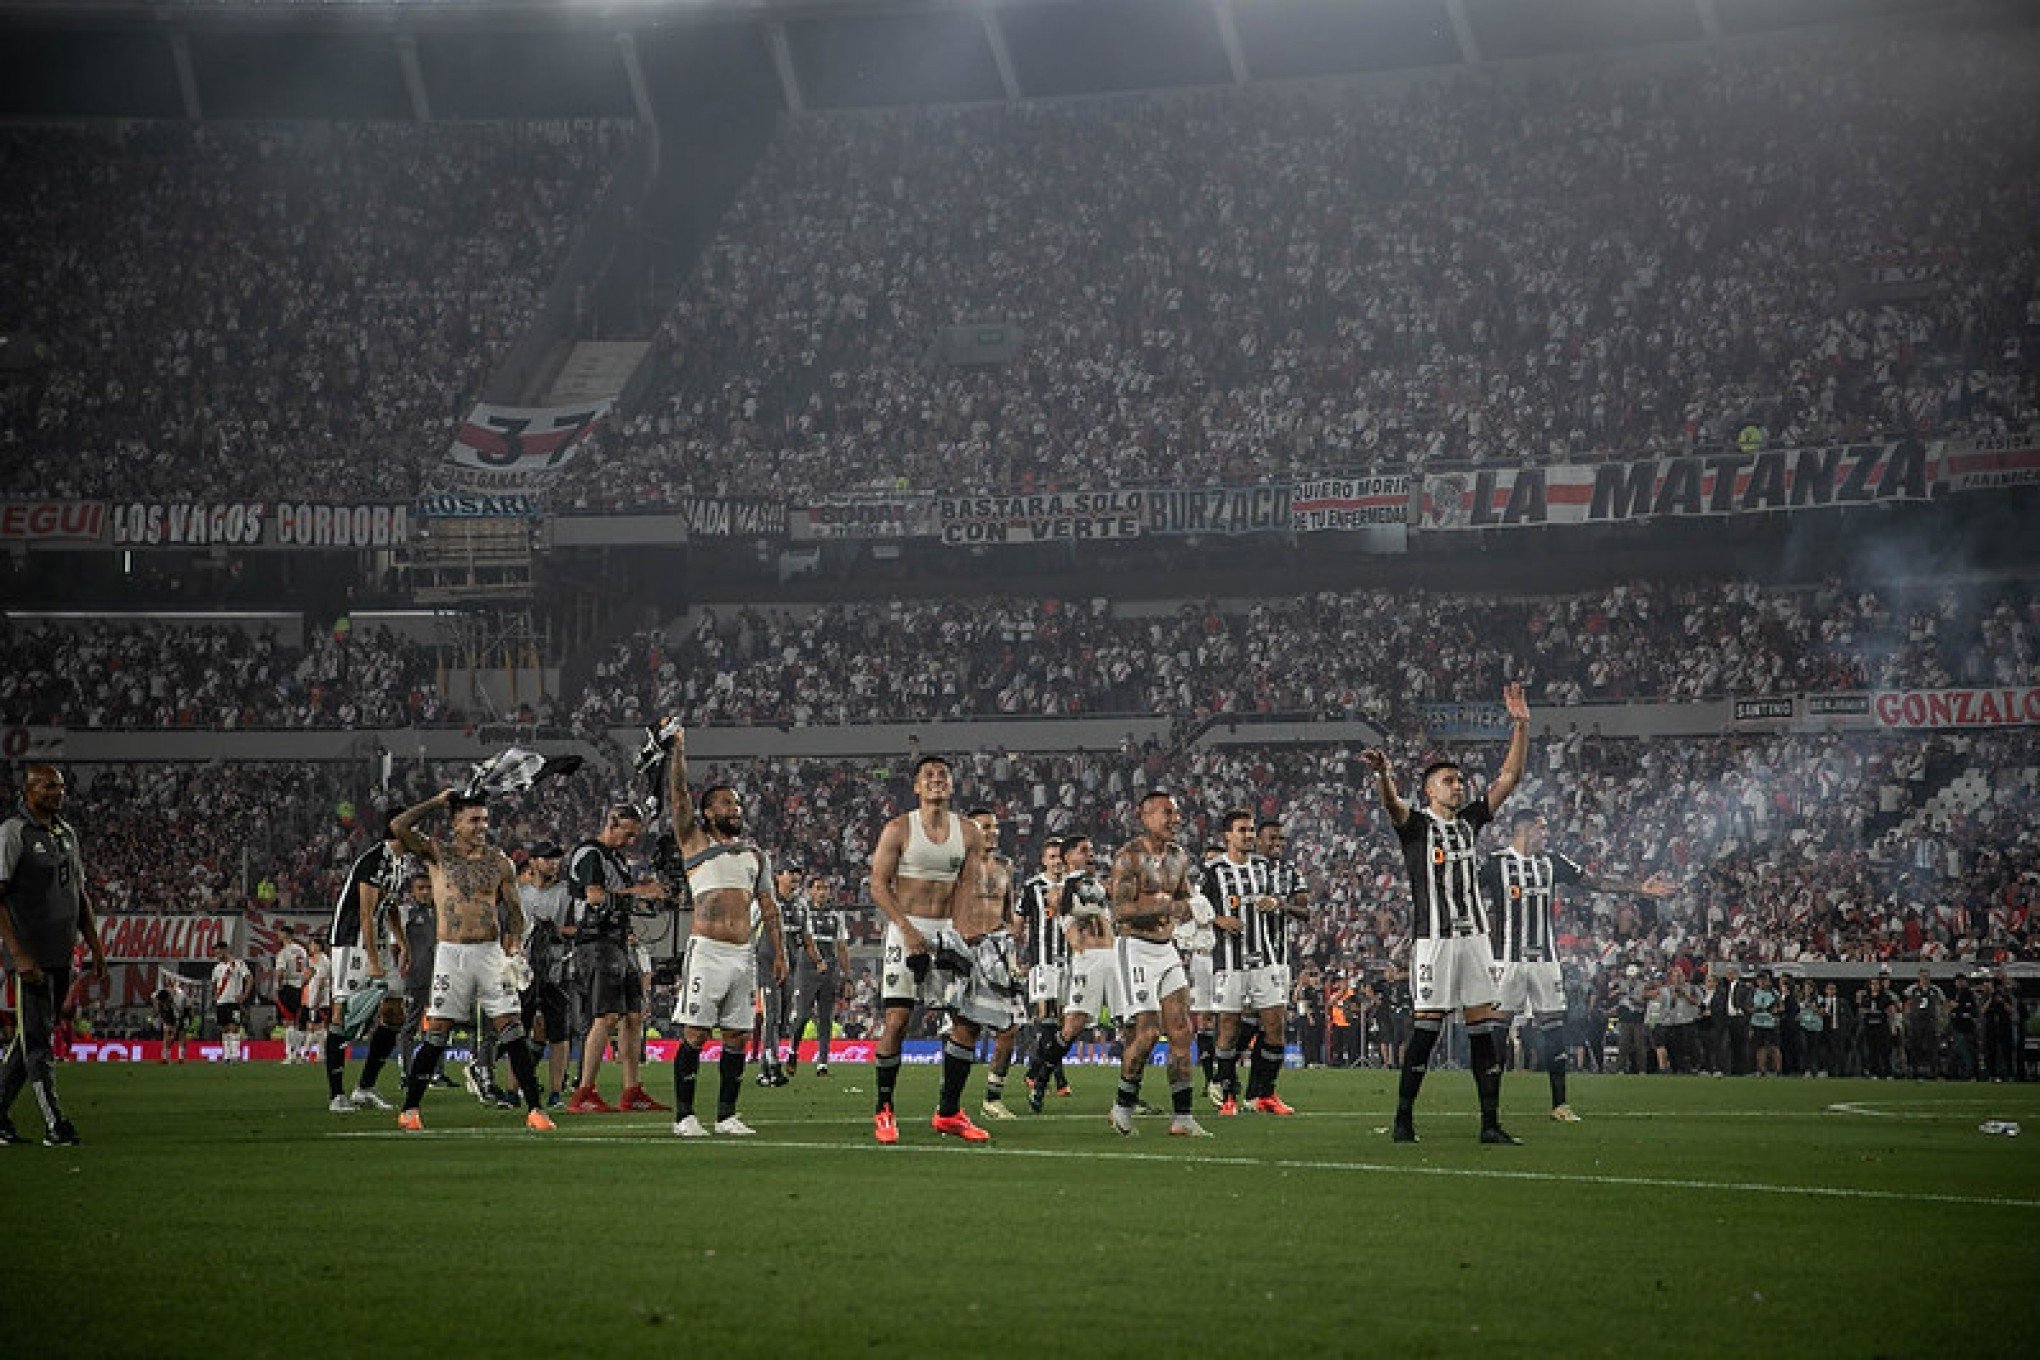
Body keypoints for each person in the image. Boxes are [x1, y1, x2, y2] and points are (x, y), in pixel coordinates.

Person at [1360, 681, 1531, 1145]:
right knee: (1427, 1031)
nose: (1458, 787)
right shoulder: (1416, 826)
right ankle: (1403, 1120)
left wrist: (1520, 725)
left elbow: (1510, 779)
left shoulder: (1471, 821)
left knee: (1483, 1034)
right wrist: (1383, 774)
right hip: (1434, 941)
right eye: (1448, 782)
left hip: (1474, 940)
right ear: (1429, 790)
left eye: (1459, 781)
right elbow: (1391, 805)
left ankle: (1490, 1124)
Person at [1481, 809, 1673, 1120]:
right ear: (1525, 830)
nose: (1546, 834)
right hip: (1507, 961)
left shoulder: (1552, 862)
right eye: (1542, 829)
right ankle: (1489, 1110)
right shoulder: (1496, 863)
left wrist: (1639, 888)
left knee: (1554, 1029)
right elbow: (1468, 893)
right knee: (1498, 1033)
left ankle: (1560, 1104)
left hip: (1545, 960)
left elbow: (1594, 882)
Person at [388, 789, 554, 1133]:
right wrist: (435, 801)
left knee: (512, 1030)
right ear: (456, 824)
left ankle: (535, 1110)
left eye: (485, 819)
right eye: (474, 820)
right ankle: (410, 1109)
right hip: (451, 954)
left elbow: (514, 911)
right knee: (437, 1032)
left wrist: (513, 941)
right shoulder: (438, 854)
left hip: (491, 953)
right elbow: (399, 825)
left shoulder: (499, 862)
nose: (482, 826)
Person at [664, 724, 787, 1137]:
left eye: (736, 803)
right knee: (696, 1034)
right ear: (707, 813)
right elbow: (678, 796)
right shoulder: (694, 842)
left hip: (743, 955)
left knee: (737, 1036)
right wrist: (678, 750)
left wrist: (781, 953)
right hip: (708, 951)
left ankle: (727, 1115)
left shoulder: (755, 855)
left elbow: (769, 908)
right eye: (723, 804)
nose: (733, 809)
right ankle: (684, 1116)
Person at [867, 754, 990, 1144]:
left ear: (951, 785)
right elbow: (877, 884)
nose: (937, 780)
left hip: (947, 932)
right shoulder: (898, 829)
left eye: (943, 775)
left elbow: (967, 887)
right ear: (916, 787)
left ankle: (949, 1112)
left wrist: (963, 932)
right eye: (928, 776)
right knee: (898, 1021)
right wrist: (904, 928)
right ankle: (884, 1109)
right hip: (907, 929)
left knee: (967, 1022)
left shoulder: (969, 832)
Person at [0, 765, 106, 1146]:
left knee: (32, 1039)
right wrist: (17, 953)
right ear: (28, 790)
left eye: (60, 786)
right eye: (48, 786)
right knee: (39, 1041)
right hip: (29, 956)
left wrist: (94, 946)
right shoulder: (14, 833)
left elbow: (79, 895)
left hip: (62, 952)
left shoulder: (66, 834)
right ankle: (55, 1124)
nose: (57, 792)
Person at [1103, 791, 1210, 1138]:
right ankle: (1121, 1108)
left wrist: (1198, 911)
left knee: (1182, 1030)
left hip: (1166, 949)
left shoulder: (1179, 857)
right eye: (1167, 813)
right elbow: (1120, 912)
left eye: (1177, 814)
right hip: (1134, 947)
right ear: (1145, 816)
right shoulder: (1128, 858)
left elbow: (1184, 898)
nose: (1175, 820)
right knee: (1148, 1033)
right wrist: (1168, 909)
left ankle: (1183, 1117)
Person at [563, 805, 671, 1114]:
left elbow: (618, 895)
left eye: (635, 834)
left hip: (618, 942)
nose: (632, 839)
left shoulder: (616, 859)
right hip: (595, 942)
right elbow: (594, 896)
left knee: (633, 1017)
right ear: (611, 823)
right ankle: (583, 1092)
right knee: (607, 1016)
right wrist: (640, 891)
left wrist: (646, 896)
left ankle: (631, 1091)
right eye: (628, 832)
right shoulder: (589, 853)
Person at [1024, 835, 1116, 1112]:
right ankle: (1041, 1079)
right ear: (1067, 857)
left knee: (1134, 1026)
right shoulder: (1061, 889)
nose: (1090, 854)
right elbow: (1066, 917)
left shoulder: (1097, 885)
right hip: (1087, 960)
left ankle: (1128, 1095)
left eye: (1091, 849)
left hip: (1114, 955)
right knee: (1072, 1027)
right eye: (1083, 850)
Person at [324, 828, 412, 1112]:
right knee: (342, 1013)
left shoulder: (400, 862)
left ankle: (364, 1088)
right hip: (352, 940)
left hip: (378, 939)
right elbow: (365, 911)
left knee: (395, 1010)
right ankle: (337, 1095)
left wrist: (402, 941)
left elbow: (390, 905)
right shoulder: (374, 859)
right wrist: (373, 960)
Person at [1240, 816, 1310, 1113]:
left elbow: (1305, 911)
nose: (1277, 844)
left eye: (1281, 840)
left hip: (1277, 960)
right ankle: (1224, 1083)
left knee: (1273, 1027)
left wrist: (1281, 904)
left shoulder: (1290, 873)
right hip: (1242, 959)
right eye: (1272, 839)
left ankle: (1261, 1092)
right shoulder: (1242, 870)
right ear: (1257, 840)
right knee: (1242, 1025)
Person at [961, 808, 1024, 1122]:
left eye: (995, 828)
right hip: (967, 948)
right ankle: (950, 1101)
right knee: (965, 1028)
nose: (993, 833)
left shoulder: (1005, 867)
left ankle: (992, 1098)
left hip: (998, 947)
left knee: (1009, 1026)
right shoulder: (958, 865)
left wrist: (1012, 934)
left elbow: (1010, 907)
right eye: (986, 827)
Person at [1201, 810, 1266, 1116]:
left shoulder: (1264, 868)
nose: (1248, 835)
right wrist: (1218, 918)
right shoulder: (1213, 872)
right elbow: (1196, 910)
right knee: (1227, 1023)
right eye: (1242, 830)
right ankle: (1226, 1091)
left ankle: (1222, 1074)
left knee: (1258, 1019)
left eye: (1251, 830)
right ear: (1228, 836)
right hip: (1227, 960)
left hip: (1263, 958)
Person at [519, 842, 575, 1109]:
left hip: (558, 968)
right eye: (547, 858)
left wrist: (555, 929)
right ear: (533, 862)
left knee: (558, 1034)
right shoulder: (520, 894)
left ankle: (555, 1092)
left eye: (556, 858)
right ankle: (513, 1089)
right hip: (524, 969)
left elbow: (580, 929)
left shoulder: (568, 894)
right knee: (518, 1029)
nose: (553, 863)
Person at [1017, 838, 1072, 1098]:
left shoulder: (1074, 886)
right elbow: (1018, 924)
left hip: (1069, 962)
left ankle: (1035, 1071)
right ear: (1044, 860)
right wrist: (1017, 959)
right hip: (1042, 960)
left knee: (1064, 1023)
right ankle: (1055, 1078)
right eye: (1051, 857)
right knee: (1047, 1016)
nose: (1056, 862)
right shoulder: (1032, 887)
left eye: (1059, 857)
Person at [785, 873, 849, 1079]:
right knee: (803, 1015)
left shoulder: (836, 916)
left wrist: (847, 976)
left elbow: (841, 947)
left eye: (825, 889)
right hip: (807, 968)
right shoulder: (804, 912)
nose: (822, 893)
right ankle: (793, 1051)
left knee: (825, 1019)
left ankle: (822, 1063)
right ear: (810, 891)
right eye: (818, 888)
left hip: (829, 969)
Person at [753, 864, 801, 1088]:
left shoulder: (799, 907)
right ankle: (770, 1066)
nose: (794, 878)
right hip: (768, 965)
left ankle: (768, 1066)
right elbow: (749, 930)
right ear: (777, 877)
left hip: (789, 966)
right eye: (789, 873)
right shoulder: (765, 903)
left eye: (796, 874)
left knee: (781, 1019)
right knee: (771, 1016)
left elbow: (806, 937)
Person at [209, 944, 253, 1063]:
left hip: (233, 1001)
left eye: (219, 953)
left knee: (233, 1027)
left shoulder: (238, 964)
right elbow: (214, 983)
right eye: (216, 953)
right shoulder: (217, 968)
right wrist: (216, 995)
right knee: (224, 1029)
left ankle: (234, 1055)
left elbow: (249, 978)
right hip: (221, 1002)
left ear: (225, 950)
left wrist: (244, 995)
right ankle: (227, 1056)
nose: (217, 955)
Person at [273, 928, 310, 1064]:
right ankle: (299, 1053)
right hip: (300, 986)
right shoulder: (301, 950)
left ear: (286, 935)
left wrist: (277, 986)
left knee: (288, 1021)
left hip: (288, 986)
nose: (278, 935)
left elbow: (280, 971)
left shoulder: (284, 952)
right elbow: (307, 970)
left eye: (280, 933)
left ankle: (290, 1054)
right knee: (298, 1021)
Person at [1902, 968, 1945, 1080]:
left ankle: (1934, 1071)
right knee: (1915, 1046)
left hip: (1930, 1022)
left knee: (1932, 1047)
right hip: (1916, 1022)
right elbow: (1907, 1004)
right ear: (1919, 977)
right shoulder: (1912, 989)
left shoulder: (1935, 990)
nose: (1924, 979)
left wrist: (1939, 1019)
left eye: (1926, 977)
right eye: (1922, 976)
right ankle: (1914, 1070)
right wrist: (1906, 1018)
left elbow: (1940, 1005)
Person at [154, 983, 188, 1064]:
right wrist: (158, 1013)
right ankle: (165, 1058)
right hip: (169, 1013)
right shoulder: (158, 995)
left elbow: (178, 1018)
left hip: (182, 1012)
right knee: (166, 1033)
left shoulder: (180, 998)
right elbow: (155, 1001)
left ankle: (181, 1058)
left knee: (181, 1034)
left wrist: (173, 1033)